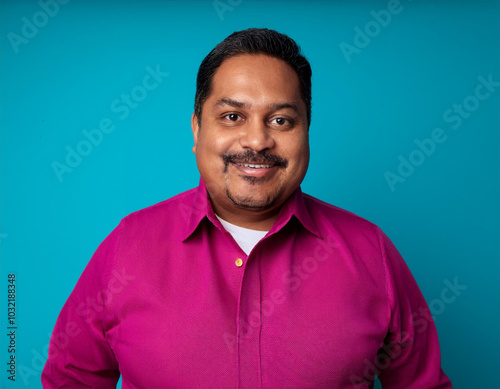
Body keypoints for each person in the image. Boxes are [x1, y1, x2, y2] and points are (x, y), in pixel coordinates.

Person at [42, 28, 452, 389]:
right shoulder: (127, 246)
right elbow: (69, 379)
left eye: (280, 121)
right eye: (233, 115)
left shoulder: (370, 252)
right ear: (197, 128)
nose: (257, 141)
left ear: (307, 131)